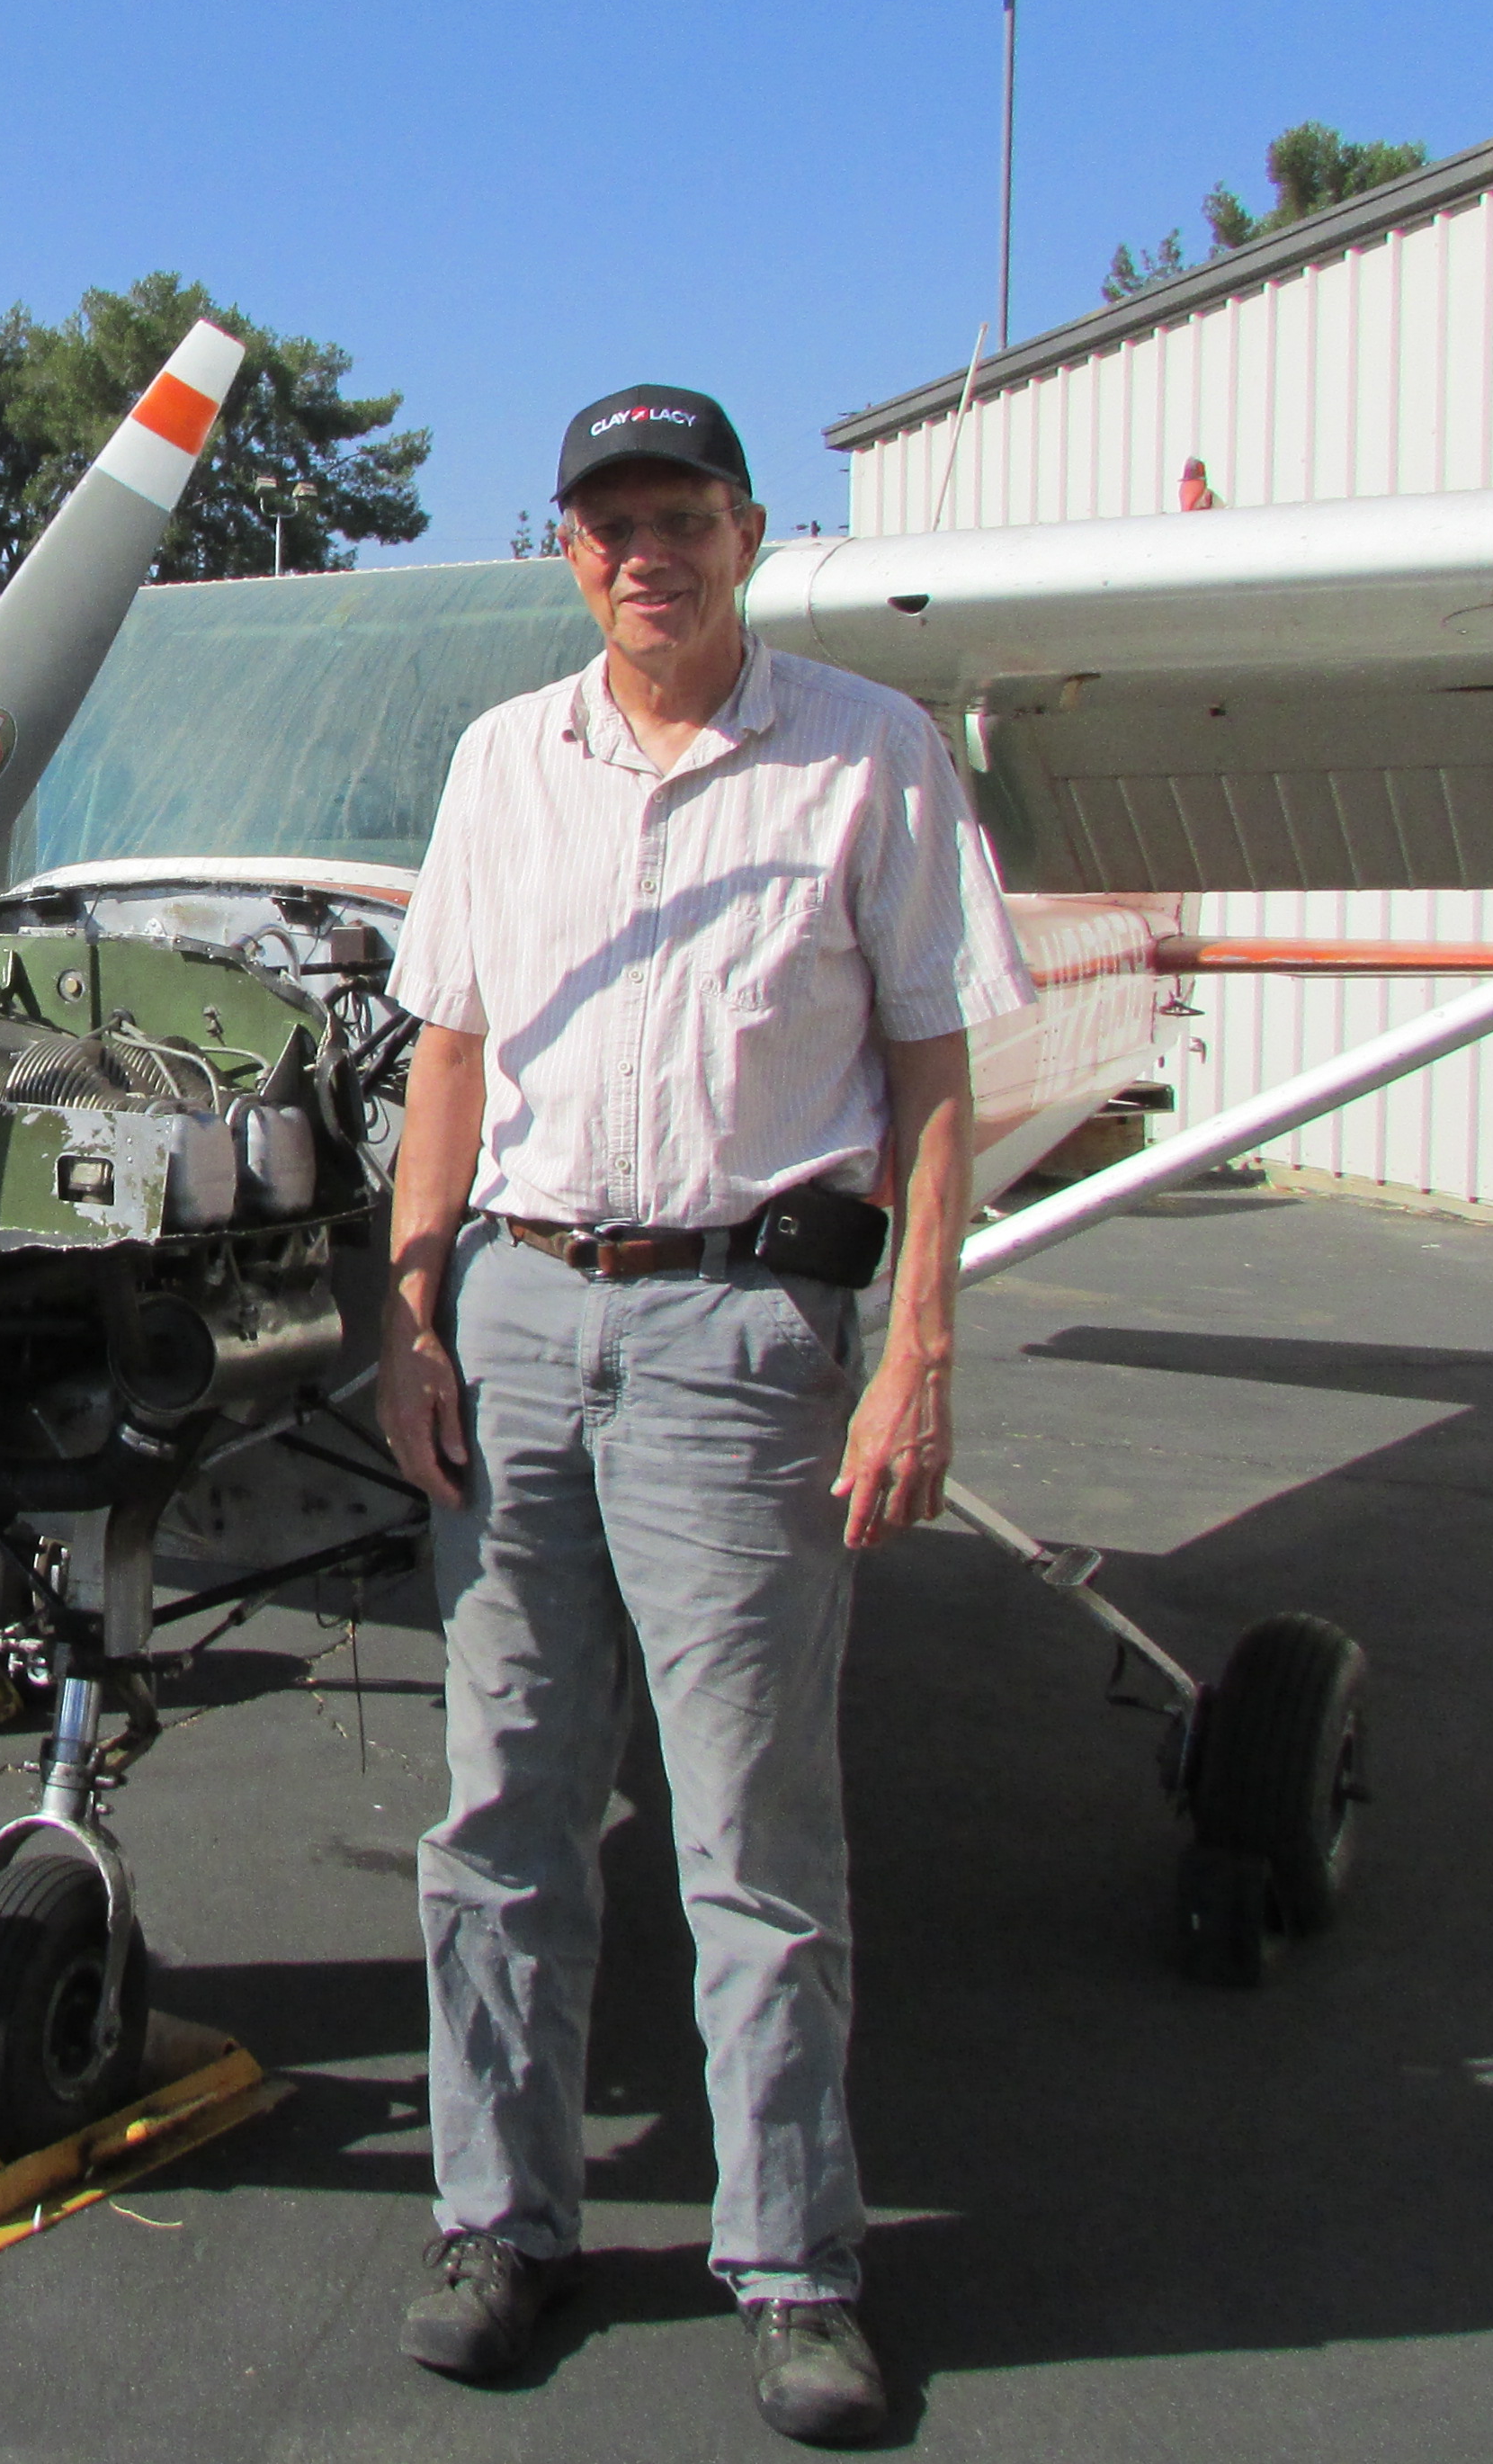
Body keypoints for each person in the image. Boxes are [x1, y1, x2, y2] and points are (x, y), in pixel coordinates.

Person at [376, 387, 1033, 2442]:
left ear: (748, 533)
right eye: (608, 523)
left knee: (754, 1828)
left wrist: (920, 1336)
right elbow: (451, 1068)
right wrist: (408, 1319)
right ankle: (503, 2223)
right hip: (516, 1316)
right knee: (500, 1812)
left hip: (742, 1329)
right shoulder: (502, 764)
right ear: (566, 552)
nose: (644, 551)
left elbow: (935, 1071)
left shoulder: (870, 753)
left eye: (682, 515)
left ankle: (798, 2265)